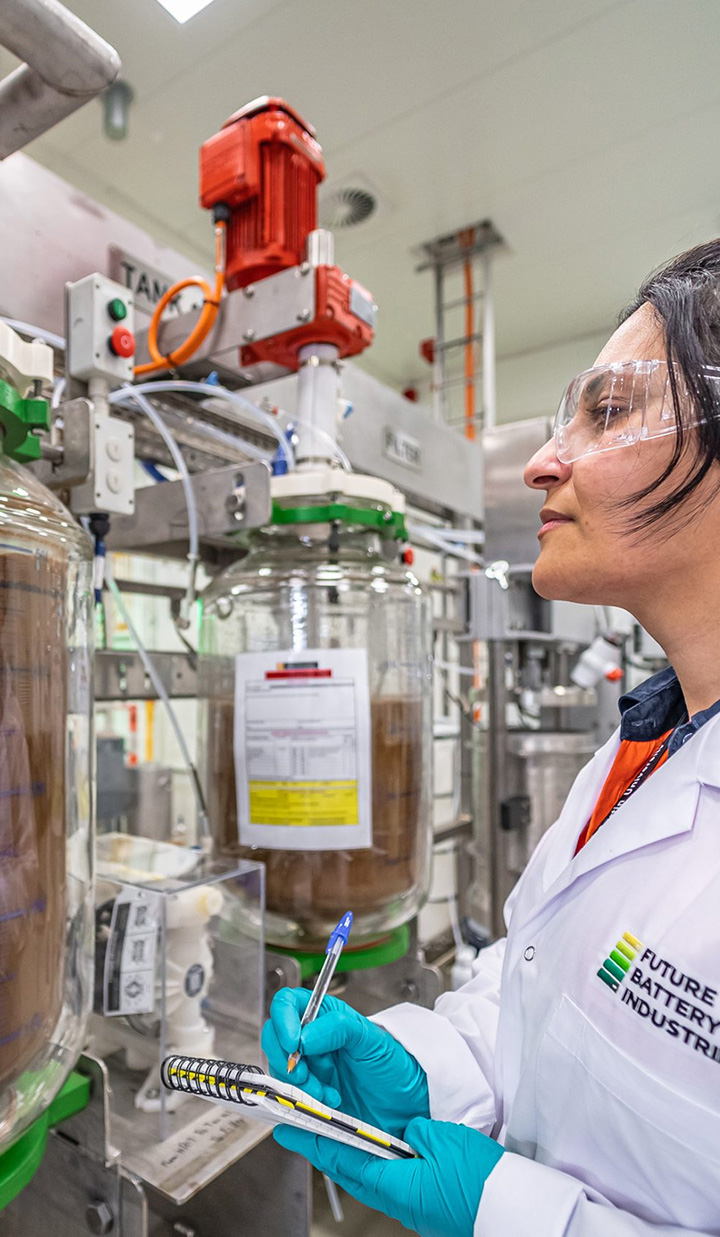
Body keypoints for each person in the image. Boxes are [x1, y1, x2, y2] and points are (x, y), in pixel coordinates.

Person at [263, 241, 720, 1237]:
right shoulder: (646, 747)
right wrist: (426, 1064)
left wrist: (514, 1213)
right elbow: (542, 992)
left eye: (607, 411)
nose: (542, 461)